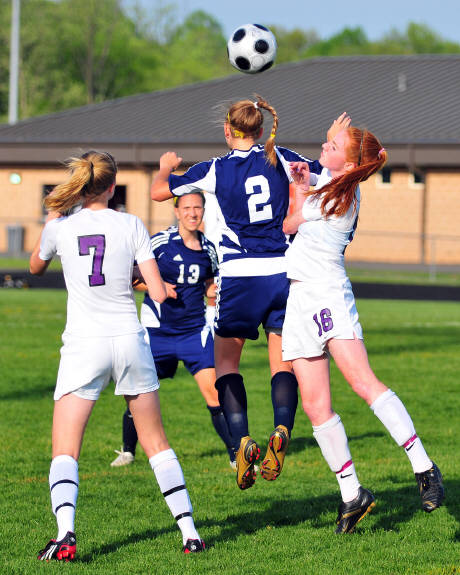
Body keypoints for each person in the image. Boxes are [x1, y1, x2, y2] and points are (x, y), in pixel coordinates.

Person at [148, 96, 347, 490]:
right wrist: (334, 143)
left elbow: (158, 192)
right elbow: (326, 173)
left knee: (226, 364)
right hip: (282, 273)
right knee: (282, 362)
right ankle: (282, 428)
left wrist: (165, 168)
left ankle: (241, 441)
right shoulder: (281, 156)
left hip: (240, 276)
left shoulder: (215, 168)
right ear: (260, 129)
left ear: (228, 130)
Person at [30, 150, 205, 561]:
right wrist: (136, 276)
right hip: (129, 339)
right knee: (156, 442)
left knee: (66, 449)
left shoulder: (60, 227)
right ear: (112, 187)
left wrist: (54, 221)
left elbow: (35, 267)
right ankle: (190, 533)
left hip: (84, 344)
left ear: (81, 185)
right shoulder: (131, 224)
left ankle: (65, 533)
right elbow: (158, 291)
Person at [282, 126, 444, 533]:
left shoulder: (338, 196)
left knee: (362, 381)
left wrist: (298, 185)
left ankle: (424, 467)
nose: (324, 146)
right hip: (299, 298)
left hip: (326, 295)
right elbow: (323, 174)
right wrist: (313, 170)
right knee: (315, 406)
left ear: (350, 163)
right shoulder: (334, 184)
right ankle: (352, 494)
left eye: (333, 145)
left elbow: (289, 224)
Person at [111, 191, 236, 469]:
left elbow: (208, 285)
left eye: (197, 208)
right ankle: (128, 451)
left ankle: (235, 455)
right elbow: (130, 275)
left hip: (194, 332)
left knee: (214, 393)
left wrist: (216, 290)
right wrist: (157, 287)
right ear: (177, 212)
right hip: (158, 333)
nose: (193, 213)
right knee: (139, 393)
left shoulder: (209, 248)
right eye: (187, 208)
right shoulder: (160, 243)